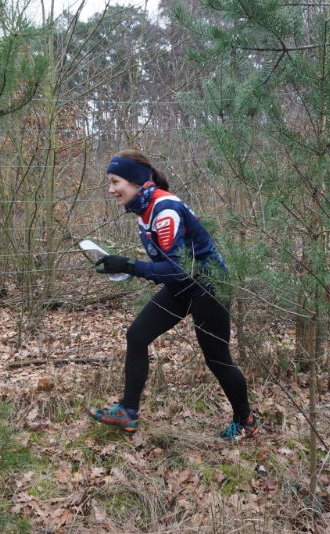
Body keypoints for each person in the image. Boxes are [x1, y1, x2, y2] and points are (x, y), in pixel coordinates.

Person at [87, 150, 259, 444]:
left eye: (115, 182)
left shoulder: (164, 209)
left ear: (136, 182)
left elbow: (177, 270)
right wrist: (124, 269)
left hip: (209, 288)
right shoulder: (144, 208)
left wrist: (129, 265)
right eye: (110, 182)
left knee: (218, 360)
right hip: (183, 286)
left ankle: (246, 421)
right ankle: (128, 412)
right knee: (137, 336)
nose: (111, 189)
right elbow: (170, 266)